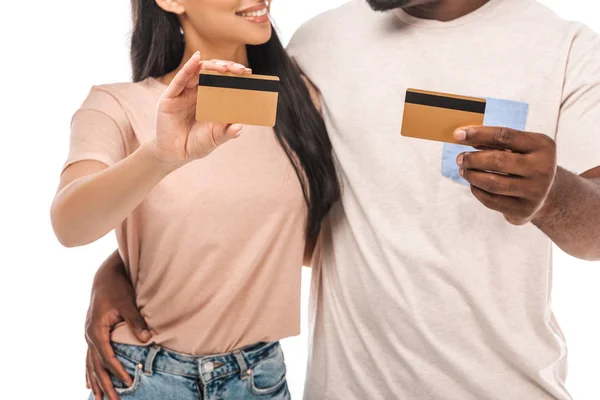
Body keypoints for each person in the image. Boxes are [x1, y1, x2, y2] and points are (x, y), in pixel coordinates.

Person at [85, 0, 600, 399]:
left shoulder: (567, 49)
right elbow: (232, 182)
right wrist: (123, 265)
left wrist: (551, 193)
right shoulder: (316, 46)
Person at [51, 0, 340, 399]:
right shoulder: (116, 104)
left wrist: (116, 269)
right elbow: (70, 226)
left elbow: (313, 245)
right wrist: (160, 157)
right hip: (145, 378)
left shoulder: (302, 102)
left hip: (258, 379)